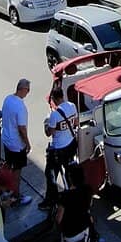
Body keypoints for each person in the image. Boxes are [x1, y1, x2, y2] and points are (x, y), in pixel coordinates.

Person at [40, 83, 79, 211]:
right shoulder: (72, 106)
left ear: (54, 99)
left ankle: (51, 200)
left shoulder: (54, 115)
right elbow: (76, 123)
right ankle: (73, 196)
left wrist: (46, 123)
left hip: (58, 149)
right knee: (69, 172)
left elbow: (49, 133)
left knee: (50, 174)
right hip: (71, 145)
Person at [0, 78, 33, 206]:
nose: (28, 93)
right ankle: (16, 196)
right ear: (23, 89)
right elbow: (22, 128)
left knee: (8, 166)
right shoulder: (20, 107)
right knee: (17, 171)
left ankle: (5, 188)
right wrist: (27, 143)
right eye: (28, 90)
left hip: (6, 139)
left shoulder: (8, 99)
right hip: (17, 144)